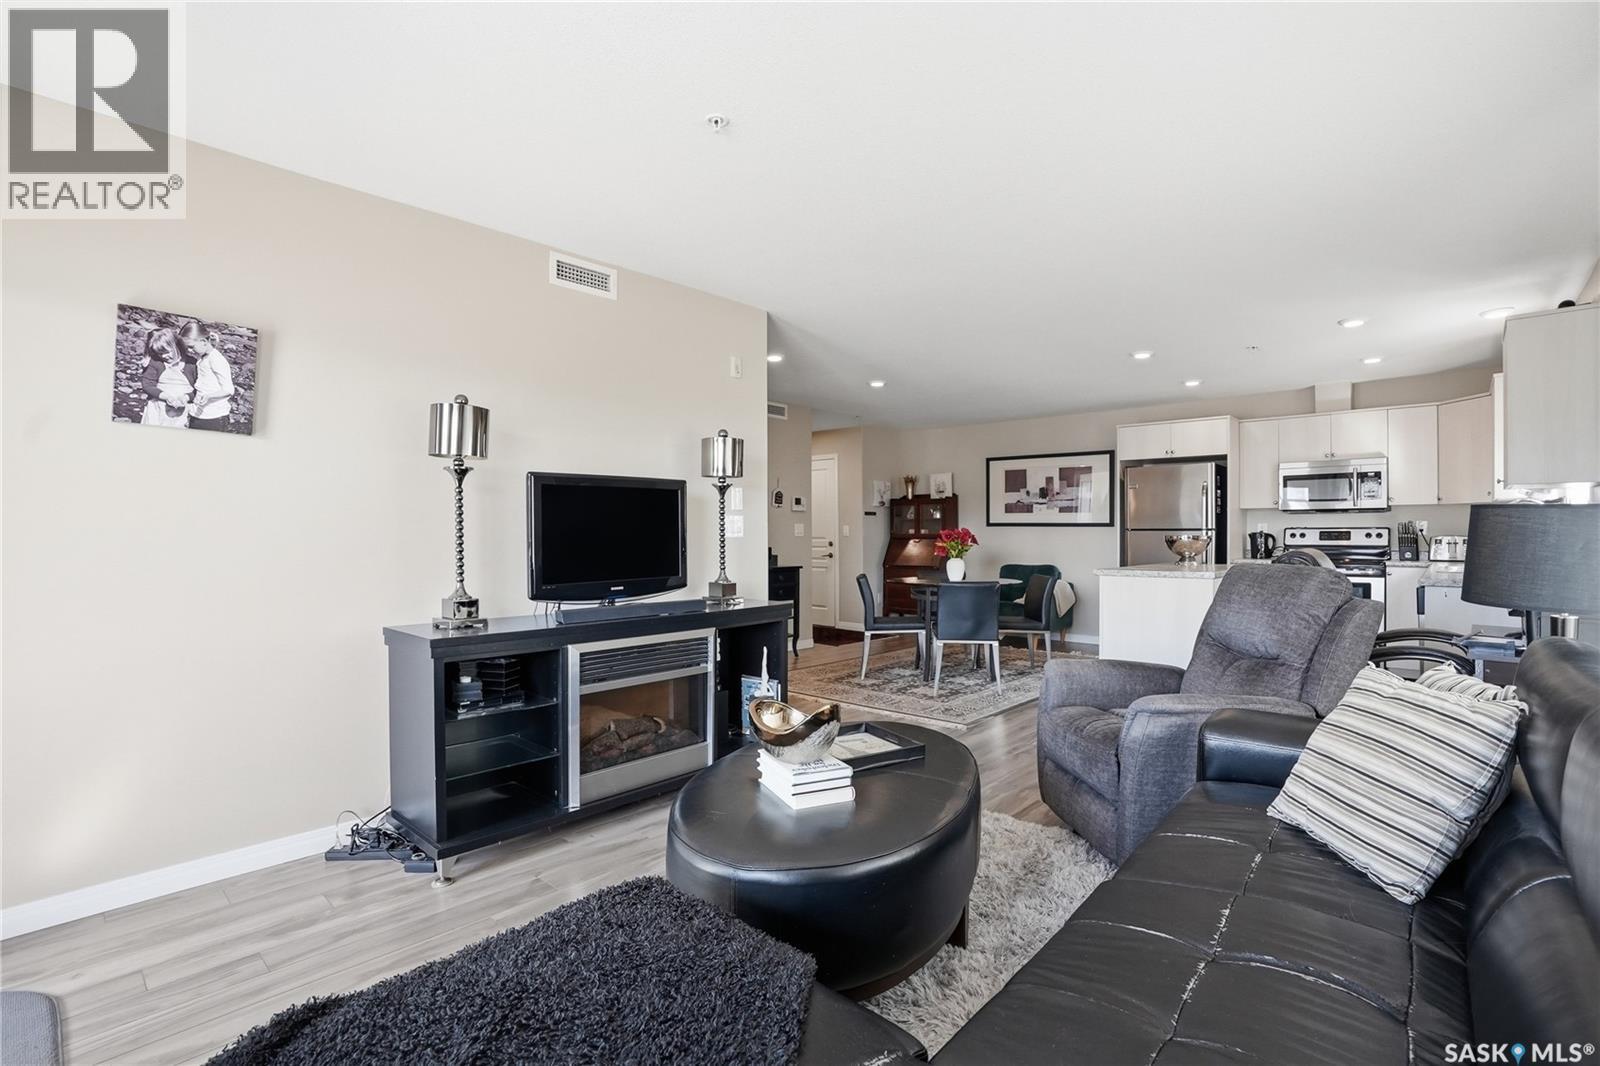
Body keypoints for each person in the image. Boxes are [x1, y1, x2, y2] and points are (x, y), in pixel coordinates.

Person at [178, 320, 235, 432]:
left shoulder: (216, 359)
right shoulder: (203, 356)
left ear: (204, 341)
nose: (189, 351)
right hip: (199, 413)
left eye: (191, 347)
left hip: (214, 416)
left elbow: (229, 390)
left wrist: (209, 396)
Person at [139, 328, 194, 428]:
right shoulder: (156, 362)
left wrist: (186, 397)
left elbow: (200, 388)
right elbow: (147, 385)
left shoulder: (191, 364)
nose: (164, 356)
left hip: (184, 407)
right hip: (158, 407)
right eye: (160, 353)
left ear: (176, 346)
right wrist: (166, 396)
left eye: (167, 352)